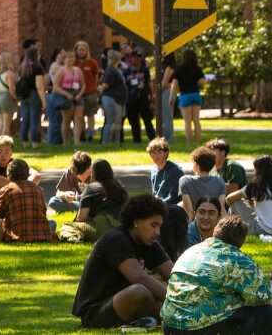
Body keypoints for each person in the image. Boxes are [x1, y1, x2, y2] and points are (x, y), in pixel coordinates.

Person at [162, 215, 272, 335]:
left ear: (215, 232)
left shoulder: (191, 251)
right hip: (206, 328)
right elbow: (266, 300)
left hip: (170, 326)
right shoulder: (241, 260)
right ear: (242, 242)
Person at [71, 194, 174, 330]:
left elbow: (175, 275)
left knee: (159, 287)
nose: (158, 232)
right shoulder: (116, 239)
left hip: (123, 303)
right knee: (140, 291)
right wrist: (178, 303)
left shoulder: (148, 241)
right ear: (136, 221)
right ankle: (172, 319)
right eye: (153, 225)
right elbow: (139, 278)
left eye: (160, 226)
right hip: (96, 312)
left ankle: (158, 319)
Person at [61, 159, 129, 243]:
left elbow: (81, 218)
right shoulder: (120, 188)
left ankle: (74, 240)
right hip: (121, 228)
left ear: (94, 173)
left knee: (68, 226)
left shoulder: (91, 188)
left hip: (102, 226)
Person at [0, 158, 57, 243]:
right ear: (27, 174)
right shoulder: (38, 189)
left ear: (9, 174)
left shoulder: (6, 190)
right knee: (52, 223)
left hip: (17, 236)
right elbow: (43, 214)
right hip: (42, 234)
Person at [228, 155, 272, 236]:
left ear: (257, 169)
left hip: (262, 230)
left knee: (236, 201)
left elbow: (229, 198)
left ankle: (229, 229)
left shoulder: (256, 185)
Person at [150, 137, 189, 257]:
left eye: (159, 152)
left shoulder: (175, 171)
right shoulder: (154, 170)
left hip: (173, 207)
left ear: (166, 153)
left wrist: (157, 206)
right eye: (153, 153)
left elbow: (174, 196)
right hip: (158, 204)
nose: (156, 156)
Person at [0, 135, 43, 207]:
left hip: (13, 195)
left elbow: (37, 175)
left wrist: (25, 186)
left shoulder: (15, 164)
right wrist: (18, 185)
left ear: (11, 152)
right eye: (0, 151)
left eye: (7, 152)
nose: (3, 155)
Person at [167, 48, 208, 146]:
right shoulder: (197, 68)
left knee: (187, 121)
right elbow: (203, 82)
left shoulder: (179, 68)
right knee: (196, 121)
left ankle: (189, 143)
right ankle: (197, 142)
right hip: (196, 95)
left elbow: (174, 83)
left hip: (185, 95)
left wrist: (171, 96)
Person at [181, 146, 229, 222]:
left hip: (196, 222)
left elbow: (189, 212)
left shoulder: (185, 180)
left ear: (196, 165)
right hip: (212, 221)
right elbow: (221, 209)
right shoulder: (219, 181)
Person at [53, 49, 86, 146]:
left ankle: (77, 142)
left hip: (77, 94)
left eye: (73, 57)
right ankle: (66, 142)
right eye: (69, 57)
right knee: (67, 119)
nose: (71, 59)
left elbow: (83, 85)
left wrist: (80, 94)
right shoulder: (61, 71)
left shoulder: (77, 70)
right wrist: (67, 94)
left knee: (79, 119)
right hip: (66, 94)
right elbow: (56, 86)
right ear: (64, 59)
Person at [124, 48, 156, 143]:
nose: (136, 60)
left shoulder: (144, 70)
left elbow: (149, 83)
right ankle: (137, 140)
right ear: (131, 59)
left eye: (138, 58)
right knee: (134, 122)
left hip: (143, 99)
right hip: (131, 100)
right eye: (134, 58)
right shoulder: (126, 72)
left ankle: (153, 139)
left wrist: (152, 96)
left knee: (147, 120)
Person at [16, 45, 45, 149]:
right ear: (35, 56)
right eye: (38, 54)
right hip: (34, 95)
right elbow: (39, 86)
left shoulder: (22, 69)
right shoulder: (37, 68)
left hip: (24, 96)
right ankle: (35, 144)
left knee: (25, 120)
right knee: (34, 121)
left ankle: (25, 143)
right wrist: (43, 101)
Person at [48, 149, 94, 214]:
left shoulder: (98, 171)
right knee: (53, 201)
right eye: (78, 175)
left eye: (83, 173)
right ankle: (79, 210)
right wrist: (66, 195)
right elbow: (59, 193)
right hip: (79, 204)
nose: (81, 178)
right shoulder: (71, 171)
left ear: (89, 167)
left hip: (94, 205)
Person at [73, 40, 101, 143]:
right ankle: (82, 134)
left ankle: (90, 135)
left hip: (90, 92)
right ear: (76, 51)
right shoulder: (73, 63)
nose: (81, 52)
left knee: (90, 114)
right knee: (80, 116)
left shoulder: (92, 63)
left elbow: (96, 77)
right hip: (77, 93)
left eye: (83, 50)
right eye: (80, 50)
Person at [100, 49, 128, 144]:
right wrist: (100, 91)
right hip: (112, 99)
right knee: (111, 122)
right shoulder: (110, 70)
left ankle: (116, 142)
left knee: (117, 123)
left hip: (118, 100)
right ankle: (106, 142)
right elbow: (106, 84)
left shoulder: (116, 70)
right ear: (118, 59)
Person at [45, 46, 68, 145]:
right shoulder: (55, 66)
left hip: (60, 94)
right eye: (60, 53)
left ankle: (58, 140)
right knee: (55, 119)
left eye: (64, 53)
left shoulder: (61, 66)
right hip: (55, 95)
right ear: (56, 55)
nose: (62, 55)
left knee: (59, 119)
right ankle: (53, 141)